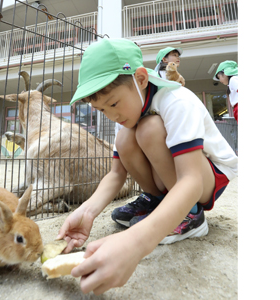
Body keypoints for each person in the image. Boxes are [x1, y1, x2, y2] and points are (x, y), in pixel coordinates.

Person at [56, 38, 238, 295]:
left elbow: (191, 180)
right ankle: (157, 201)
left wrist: (136, 243)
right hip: (178, 175)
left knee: (149, 128)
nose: (112, 115)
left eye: (114, 104)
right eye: (101, 109)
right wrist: (86, 212)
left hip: (206, 175)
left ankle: (191, 216)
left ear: (140, 79)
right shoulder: (128, 110)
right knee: (126, 136)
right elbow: (116, 174)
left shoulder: (176, 100)